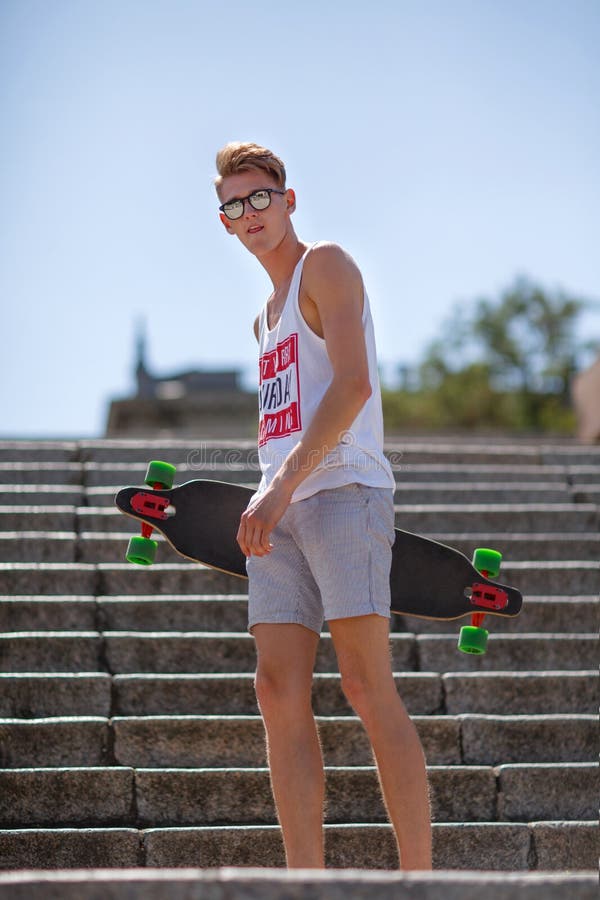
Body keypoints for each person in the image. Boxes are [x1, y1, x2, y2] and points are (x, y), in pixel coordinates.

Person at [214, 141, 432, 870]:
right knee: (276, 689)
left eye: (260, 198)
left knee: (368, 686)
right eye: (234, 205)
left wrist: (279, 490)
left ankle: (420, 882)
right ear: (226, 223)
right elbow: (279, 425)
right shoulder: (263, 320)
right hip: (280, 518)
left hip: (343, 494)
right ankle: (303, 882)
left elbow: (353, 386)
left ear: (288, 200)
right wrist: (266, 490)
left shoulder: (326, 266)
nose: (250, 213)